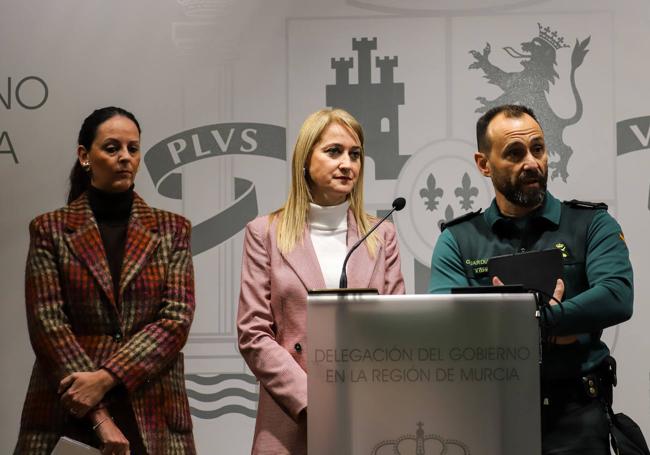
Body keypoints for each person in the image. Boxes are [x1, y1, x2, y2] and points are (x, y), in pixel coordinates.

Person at [428, 104, 633, 454]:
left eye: (538, 148)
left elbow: (616, 295)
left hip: (577, 417)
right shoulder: (458, 239)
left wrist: (535, 319)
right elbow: (448, 323)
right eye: (515, 152)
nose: (532, 163)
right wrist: (558, 325)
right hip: (488, 418)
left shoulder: (592, 224)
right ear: (483, 164)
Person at [14, 107, 197, 455]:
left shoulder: (173, 230)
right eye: (112, 148)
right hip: (71, 405)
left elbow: (175, 320)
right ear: (85, 155)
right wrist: (97, 412)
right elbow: (47, 323)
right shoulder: (50, 229)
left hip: (151, 404)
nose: (125, 158)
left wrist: (106, 377)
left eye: (133, 148)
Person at [237, 108, 405, 454]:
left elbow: (395, 327)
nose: (347, 164)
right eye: (334, 151)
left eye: (355, 154)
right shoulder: (264, 232)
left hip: (367, 413)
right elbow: (253, 333)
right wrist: (313, 400)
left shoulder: (381, 234)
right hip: (292, 415)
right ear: (304, 159)